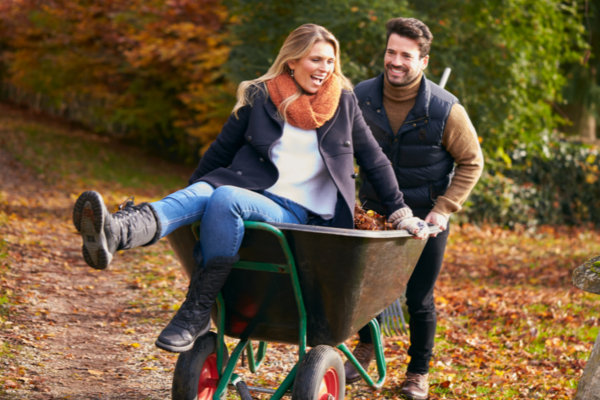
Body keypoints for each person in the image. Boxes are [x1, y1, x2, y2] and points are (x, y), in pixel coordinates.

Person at [72, 24, 430, 355]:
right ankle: (118, 231)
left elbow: (375, 161)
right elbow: (219, 153)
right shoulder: (261, 96)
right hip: (248, 190)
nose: (325, 68)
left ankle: (195, 310)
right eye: (316, 59)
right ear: (293, 61)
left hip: (296, 212)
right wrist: (192, 205)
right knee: (207, 192)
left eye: (330, 61)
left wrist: (401, 213)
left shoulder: (343, 103)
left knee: (224, 197)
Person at [344, 17, 484, 399]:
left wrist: (444, 208)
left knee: (419, 298)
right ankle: (366, 347)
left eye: (406, 55)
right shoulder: (362, 96)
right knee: (363, 288)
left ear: (423, 60)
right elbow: (341, 149)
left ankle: (417, 372)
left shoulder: (444, 108)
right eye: (391, 52)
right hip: (373, 211)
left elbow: (472, 161)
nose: (396, 61)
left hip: (425, 217)